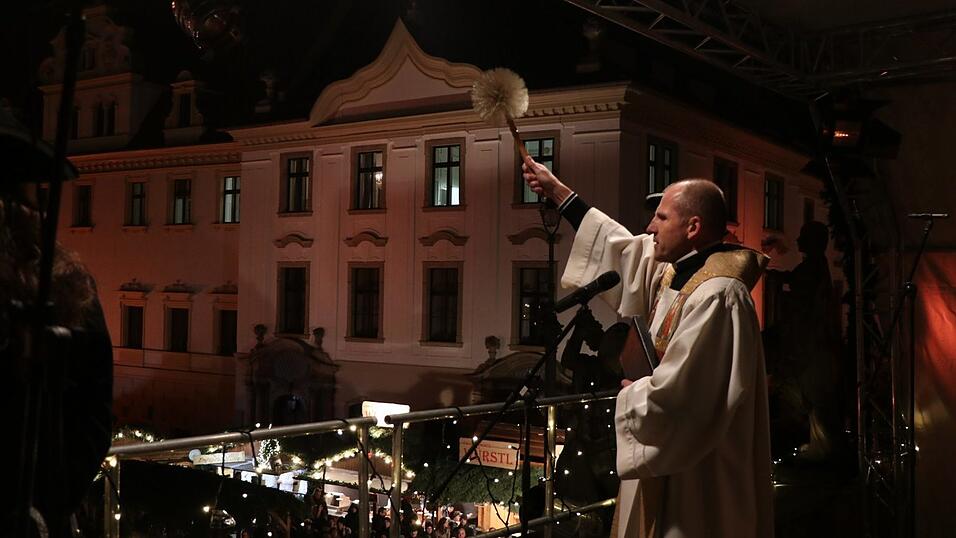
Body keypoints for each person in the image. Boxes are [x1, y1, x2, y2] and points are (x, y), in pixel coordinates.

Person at [523, 156, 773, 538]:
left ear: (693, 227)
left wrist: (633, 394)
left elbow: (689, 393)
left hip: (698, 471)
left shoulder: (719, 295)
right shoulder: (675, 272)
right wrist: (557, 192)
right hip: (671, 455)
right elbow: (619, 247)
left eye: (661, 218)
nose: (649, 227)